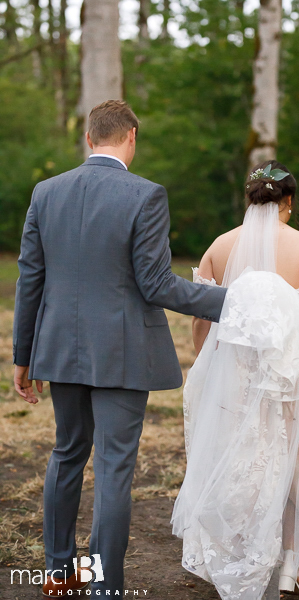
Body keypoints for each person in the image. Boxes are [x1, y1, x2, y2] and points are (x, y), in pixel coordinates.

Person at [12, 100, 229, 596]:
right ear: (131, 137)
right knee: (112, 466)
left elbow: (31, 280)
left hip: (59, 350)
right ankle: (101, 585)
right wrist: (229, 300)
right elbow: (156, 285)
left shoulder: (46, 192)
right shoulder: (146, 195)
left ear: (90, 138)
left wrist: (22, 355)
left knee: (66, 454)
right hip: (123, 353)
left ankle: (57, 573)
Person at [170, 160, 299, 600]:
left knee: (246, 462)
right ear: (289, 201)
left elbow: (201, 318)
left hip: (236, 375)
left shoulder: (220, 247)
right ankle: (288, 569)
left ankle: (246, 558)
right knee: (296, 464)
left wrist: (207, 364)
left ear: (249, 200)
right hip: (293, 373)